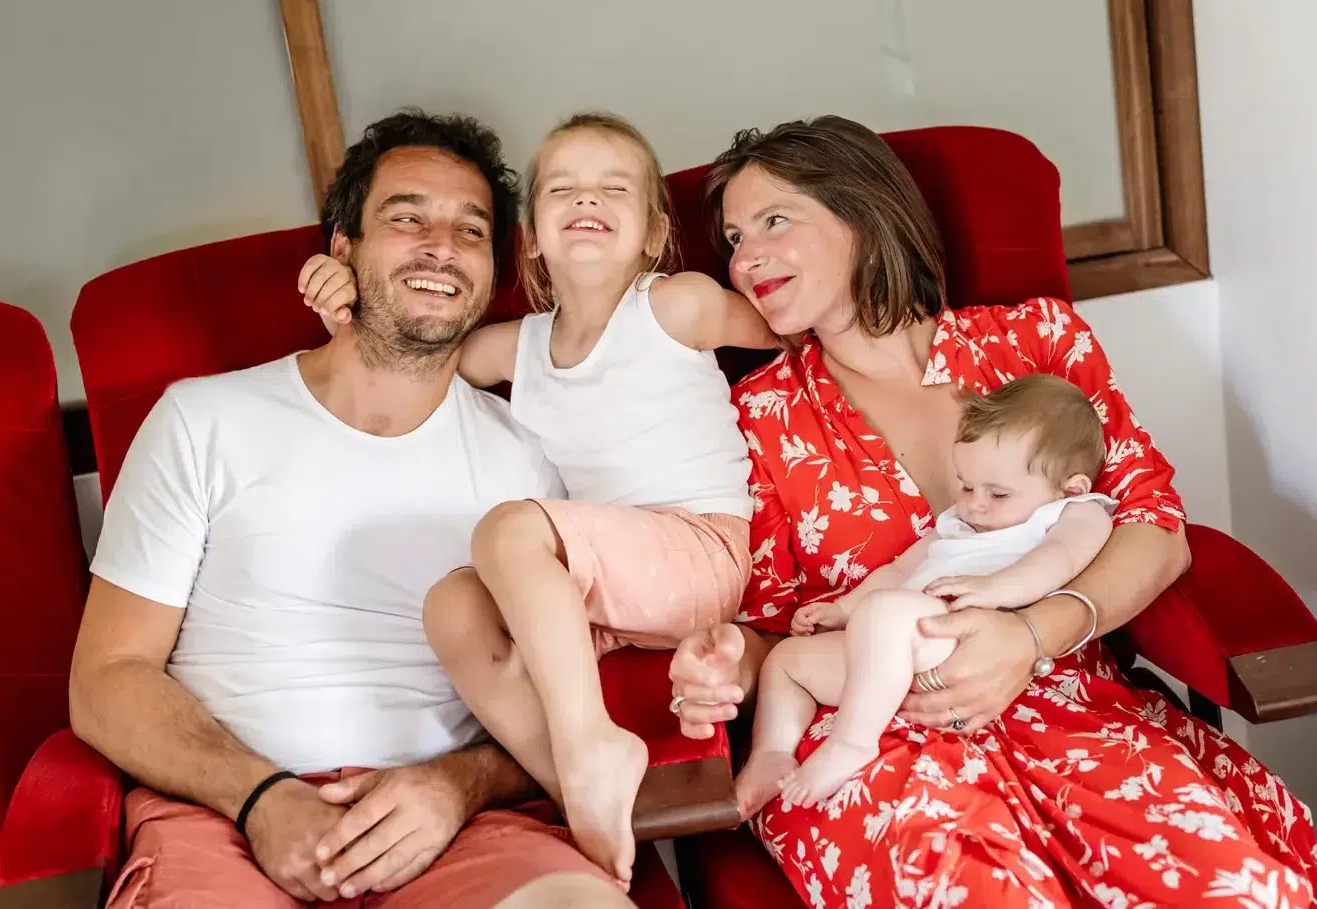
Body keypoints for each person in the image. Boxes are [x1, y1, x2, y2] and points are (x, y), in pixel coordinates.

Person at [664, 115, 1317, 907]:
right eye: (733, 239)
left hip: (1073, 703)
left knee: (1226, 885)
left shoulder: (1037, 342)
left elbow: (1155, 526)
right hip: (874, 742)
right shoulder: (756, 416)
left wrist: (1032, 636)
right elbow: (773, 633)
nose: (746, 258)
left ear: (862, 213)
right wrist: (717, 664)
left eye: (774, 221)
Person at [68, 109, 643, 909]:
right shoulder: (202, 421)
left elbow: (571, 705)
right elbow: (105, 678)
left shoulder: (529, 459)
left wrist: (457, 785)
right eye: (407, 218)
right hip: (222, 820)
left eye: (471, 231)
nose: (441, 245)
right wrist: (261, 796)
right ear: (343, 247)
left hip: (456, 833)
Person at [298, 110, 777, 886]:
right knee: (453, 607)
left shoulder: (676, 305)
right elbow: (412, 352)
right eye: (563, 188)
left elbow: (795, 326)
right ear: (531, 238)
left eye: (612, 187)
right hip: (604, 593)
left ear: (654, 233)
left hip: (696, 552)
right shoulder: (515, 348)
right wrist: (347, 301)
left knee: (508, 531)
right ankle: (576, 782)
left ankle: (591, 741)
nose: (586, 198)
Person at [737, 374, 1117, 813]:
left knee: (886, 613)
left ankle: (852, 742)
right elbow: (900, 569)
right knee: (786, 660)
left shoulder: (1074, 513)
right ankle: (771, 752)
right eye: (966, 485)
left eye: (997, 493)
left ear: (1071, 487)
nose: (974, 503)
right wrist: (844, 610)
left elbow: (1061, 559)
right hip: (891, 658)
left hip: (965, 644)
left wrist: (995, 588)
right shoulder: (960, 521)